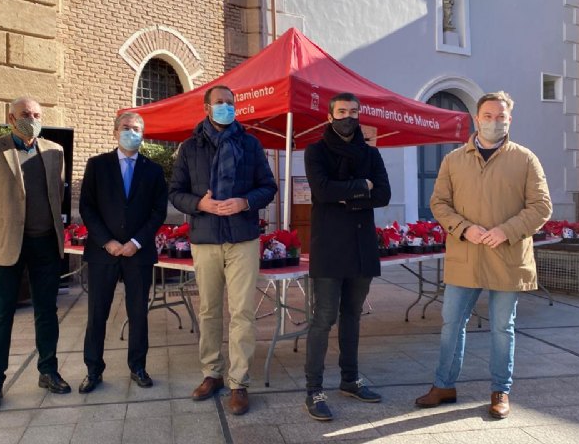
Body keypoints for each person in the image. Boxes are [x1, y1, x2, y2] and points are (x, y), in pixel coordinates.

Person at [415, 91, 552, 419]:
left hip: (506, 255)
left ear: (509, 119)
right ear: (476, 119)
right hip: (466, 254)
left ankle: (500, 390)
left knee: (503, 327)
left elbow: (541, 205)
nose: (494, 121)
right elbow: (439, 203)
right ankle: (444, 385)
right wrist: (463, 227)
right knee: (452, 323)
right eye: (487, 116)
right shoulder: (453, 160)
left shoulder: (525, 159)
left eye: (500, 116)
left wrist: (507, 230)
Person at [169, 85, 277, 415]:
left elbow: (268, 187)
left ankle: (239, 382)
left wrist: (246, 201)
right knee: (210, 311)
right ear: (206, 108)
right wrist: (199, 203)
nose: (226, 108)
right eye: (220, 103)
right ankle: (212, 373)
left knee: (243, 312)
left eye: (231, 104)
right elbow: (175, 192)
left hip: (242, 238)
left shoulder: (250, 144)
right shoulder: (189, 148)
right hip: (205, 238)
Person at [0, 97, 70, 411]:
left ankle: (48, 371)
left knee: (46, 311)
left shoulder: (55, 151)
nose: (32, 118)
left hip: (45, 244)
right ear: (10, 118)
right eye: (26, 114)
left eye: (37, 114)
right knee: (1, 315)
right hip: (7, 245)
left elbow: (59, 192)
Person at [302, 92, 391, 421]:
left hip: (361, 246)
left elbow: (383, 194)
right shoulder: (316, 151)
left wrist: (349, 196)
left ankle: (350, 379)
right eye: (342, 111)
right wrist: (361, 186)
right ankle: (314, 389)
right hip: (328, 247)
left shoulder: (371, 153)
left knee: (352, 315)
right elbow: (322, 191)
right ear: (329, 116)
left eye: (354, 111)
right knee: (323, 319)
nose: (348, 117)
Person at [78, 112, 168, 393]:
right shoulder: (97, 165)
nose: (132, 132)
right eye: (127, 128)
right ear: (115, 132)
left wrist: (136, 242)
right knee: (97, 314)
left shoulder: (152, 170)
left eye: (138, 129)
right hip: (103, 252)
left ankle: (138, 367)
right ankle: (93, 370)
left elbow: (158, 212)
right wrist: (108, 241)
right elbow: (87, 208)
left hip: (137, 254)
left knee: (139, 313)